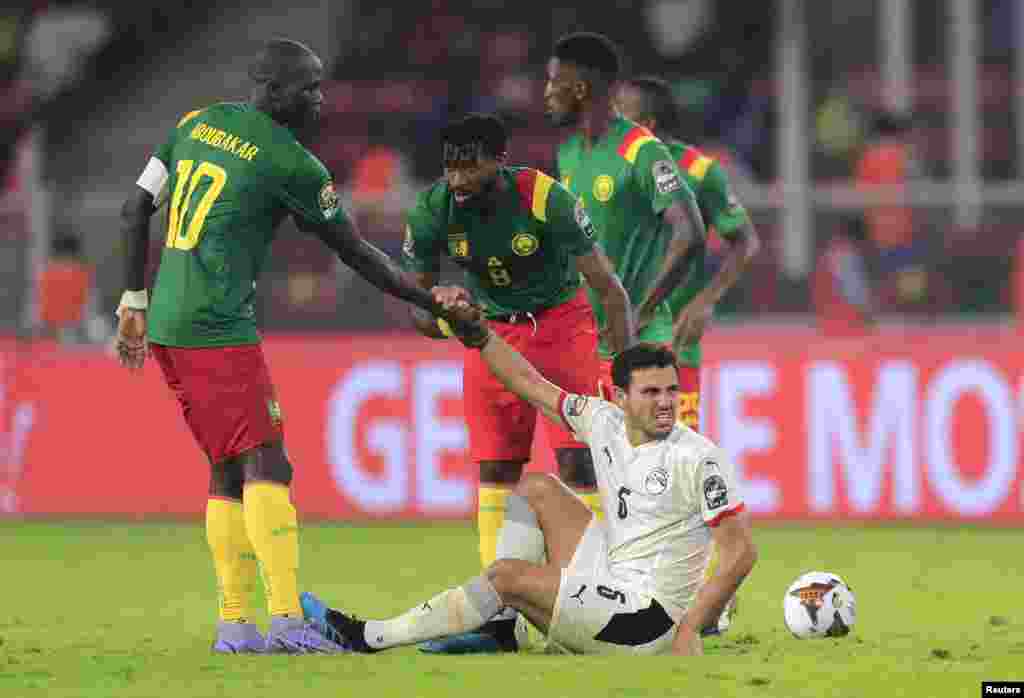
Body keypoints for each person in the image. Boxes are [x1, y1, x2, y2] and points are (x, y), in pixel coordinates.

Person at [114, 38, 476, 655]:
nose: (320, 99)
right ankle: (285, 620)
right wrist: (428, 299)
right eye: (309, 88)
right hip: (217, 327)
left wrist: (133, 299)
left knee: (228, 467)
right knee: (268, 463)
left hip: (170, 322)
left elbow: (134, 208)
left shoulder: (194, 123)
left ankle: (235, 624)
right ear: (274, 91)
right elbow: (356, 252)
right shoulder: (292, 164)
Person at [301, 296, 757, 656]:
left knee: (506, 577)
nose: (666, 402)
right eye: (652, 392)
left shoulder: (698, 457)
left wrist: (689, 630)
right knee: (536, 487)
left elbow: (741, 553)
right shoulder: (603, 420)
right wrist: (479, 336)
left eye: (672, 390)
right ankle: (504, 627)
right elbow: (529, 385)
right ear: (619, 396)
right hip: (615, 576)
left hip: (647, 620)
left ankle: (367, 636)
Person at [401, 112, 634, 593]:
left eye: (471, 167)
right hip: (489, 334)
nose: (458, 179)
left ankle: (600, 588)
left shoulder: (544, 197)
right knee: (496, 467)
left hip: (562, 327)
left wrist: (626, 375)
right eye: (450, 168)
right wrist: (452, 316)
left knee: (581, 463)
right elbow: (419, 315)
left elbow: (609, 289)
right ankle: (498, 602)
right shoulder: (431, 210)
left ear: (500, 161)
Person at [613, 76, 761, 636]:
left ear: (647, 123)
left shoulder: (698, 171)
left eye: (623, 114)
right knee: (626, 469)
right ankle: (638, 590)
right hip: (616, 337)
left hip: (673, 343)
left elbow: (744, 239)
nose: (612, 122)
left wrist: (705, 298)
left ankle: (706, 601)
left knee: (679, 468)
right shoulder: (598, 161)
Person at [545, 33, 706, 447]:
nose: (546, 94)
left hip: (637, 343)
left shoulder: (641, 150)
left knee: (646, 476)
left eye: (553, 82)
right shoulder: (566, 154)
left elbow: (690, 231)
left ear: (579, 89)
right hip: (580, 341)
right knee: (577, 467)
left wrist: (642, 310)